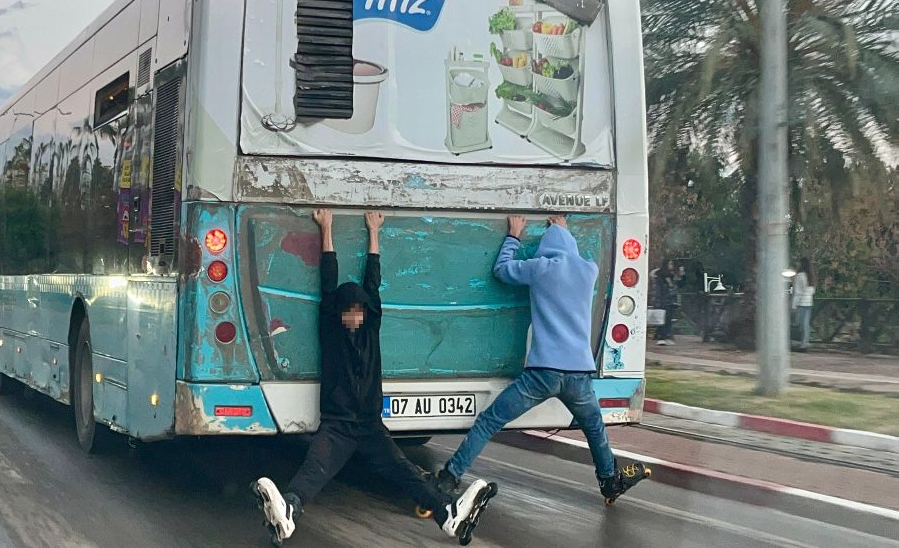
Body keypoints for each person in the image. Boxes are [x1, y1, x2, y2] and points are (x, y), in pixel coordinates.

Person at [252, 209, 497, 546]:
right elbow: (328, 279)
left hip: (369, 425)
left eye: (359, 310)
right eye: (348, 310)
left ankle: (449, 516)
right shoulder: (330, 327)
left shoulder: (371, 328)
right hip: (337, 426)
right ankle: (289, 513)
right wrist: (327, 228)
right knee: (313, 472)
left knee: (406, 473)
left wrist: (374, 232)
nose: (354, 316)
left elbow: (372, 281)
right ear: (339, 312)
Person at [434, 215, 649, 504]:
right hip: (579, 375)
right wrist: (564, 231)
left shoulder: (540, 268)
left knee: (490, 421)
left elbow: (501, 270)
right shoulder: (589, 270)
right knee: (594, 428)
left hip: (542, 374)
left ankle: (450, 477)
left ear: (545, 247)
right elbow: (578, 251)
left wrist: (513, 236)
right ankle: (609, 481)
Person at [654, 259, 683, 345]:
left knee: (668, 319)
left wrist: (682, 275)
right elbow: (659, 289)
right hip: (664, 299)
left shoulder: (673, 276)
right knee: (664, 319)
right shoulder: (661, 276)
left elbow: (679, 285)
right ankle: (662, 336)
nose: (671, 265)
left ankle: (665, 336)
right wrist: (658, 300)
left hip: (671, 299)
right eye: (670, 264)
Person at [792, 257, 816, 352]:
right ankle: (805, 343)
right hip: (809, 302)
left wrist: (794, 305)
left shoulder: (800, 276)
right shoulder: (810, 276)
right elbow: (812, 290)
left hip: (801, 303)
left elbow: (797, 292)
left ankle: (803, 344)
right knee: (805, 324)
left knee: (799, 323)